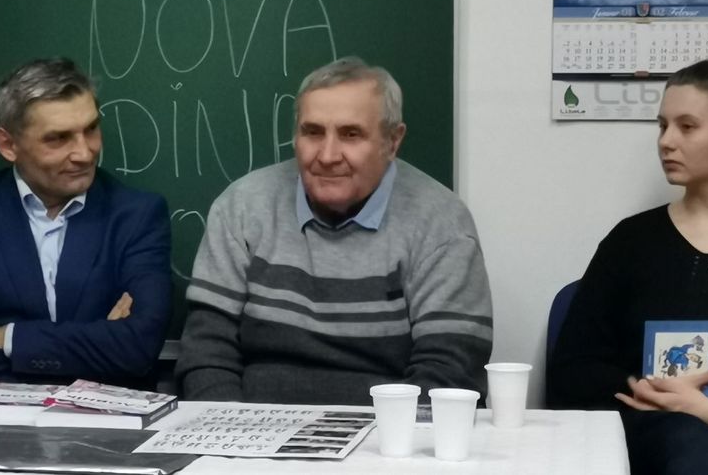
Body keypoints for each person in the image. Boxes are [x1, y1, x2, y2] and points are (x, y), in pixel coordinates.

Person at [175, 57, 493, 405]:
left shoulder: (441, 224)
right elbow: (206, 354)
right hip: (252, 429)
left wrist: (382, 439)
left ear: (392, 141)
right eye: (312, 132)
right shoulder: (242, 207)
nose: (327, 155)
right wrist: (231, 431)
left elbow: (449, 375)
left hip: (389, 432)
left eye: (350, 134)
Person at [548, 56, 708, 475]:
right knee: (682, 435)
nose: (666, 141)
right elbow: (572, 372)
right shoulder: (632, 242)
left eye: (687, 127)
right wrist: (651, 393)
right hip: (649, 439)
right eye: (662, 126)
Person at [0, 58, 171, 396]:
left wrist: (10, 337)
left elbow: (136, 348)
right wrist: (92, 348)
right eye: (58, 138)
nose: (84, 153)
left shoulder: (137, 216)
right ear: (8, 145)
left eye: (91, 129)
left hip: (99, 421)